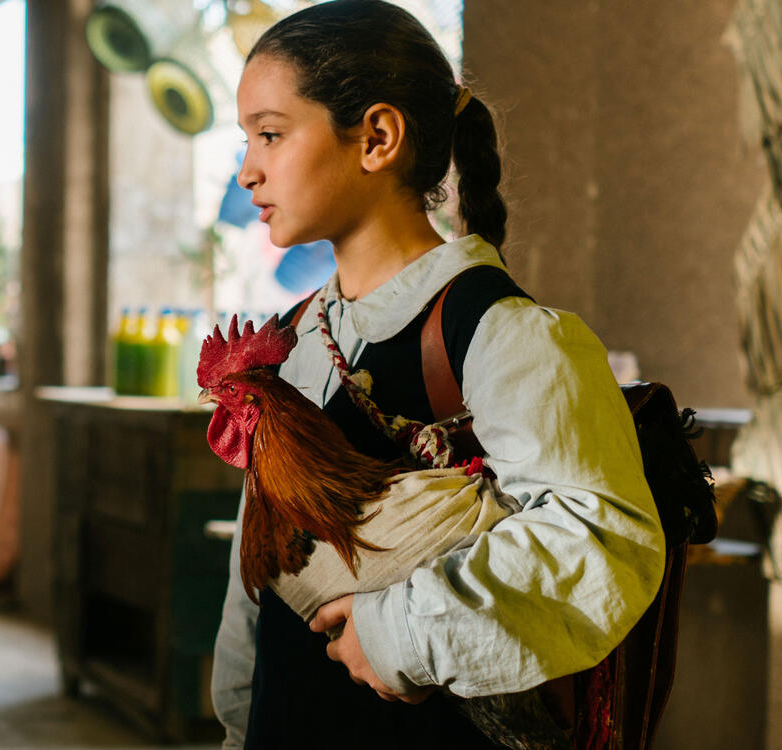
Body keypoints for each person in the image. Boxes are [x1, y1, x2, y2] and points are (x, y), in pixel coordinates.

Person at [208, 2, 665, 747]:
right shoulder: (291, 341)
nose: (248, 169)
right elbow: (253, 583)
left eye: (270, 134)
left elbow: (600, 540)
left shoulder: (499, 332)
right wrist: (238, 724)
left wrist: (397, 635)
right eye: (247, 139)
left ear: (378, 138)